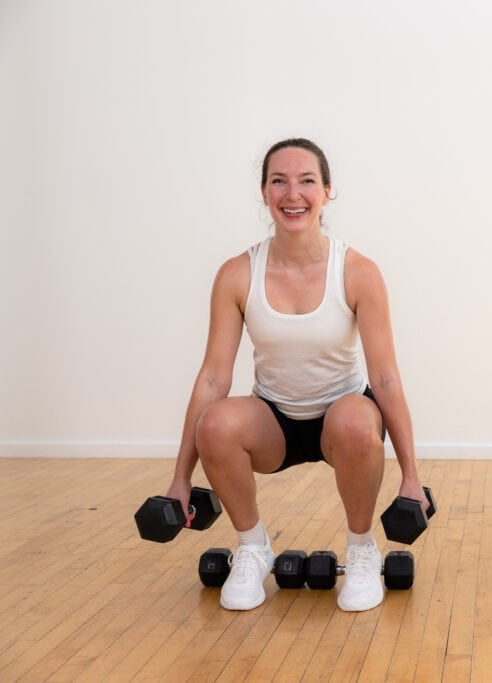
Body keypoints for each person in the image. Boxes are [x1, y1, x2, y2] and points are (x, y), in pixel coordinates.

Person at [164, 138, 428, 612]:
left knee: (353, 420)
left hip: (344, 418)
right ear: (264, 192)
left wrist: (412, 476)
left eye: (307, 181)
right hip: (274, 421)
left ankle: (363, 550)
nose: (293, 194)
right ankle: (252, 546)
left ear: (328, 192)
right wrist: (180, 478)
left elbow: (385, 379)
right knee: (216, 423)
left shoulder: (358, 272)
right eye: (279, 181)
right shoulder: (237, 274)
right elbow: (212, 380)